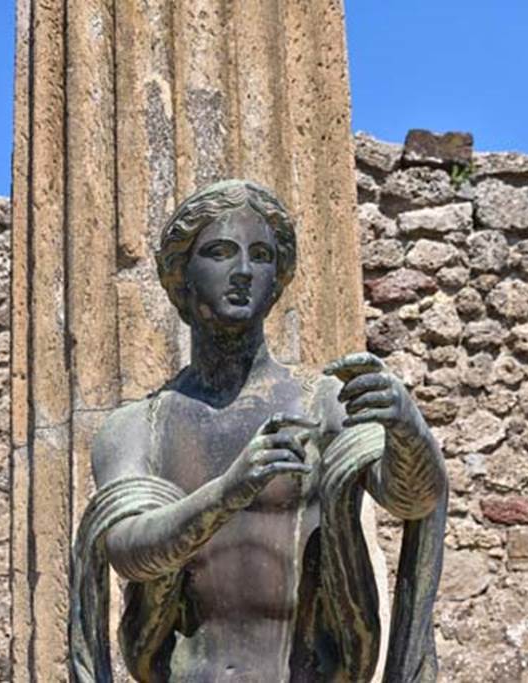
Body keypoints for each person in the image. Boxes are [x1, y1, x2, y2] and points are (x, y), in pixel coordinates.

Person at [71, 179, 447, 682]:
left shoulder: (325, 403)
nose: (244, 271)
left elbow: (412, 500)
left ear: (279, 278)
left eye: (262, 255)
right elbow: (128, 550)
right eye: (221, 252)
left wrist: (409, 431)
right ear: (180, 275)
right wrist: (228, 492)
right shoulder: (138, 426)